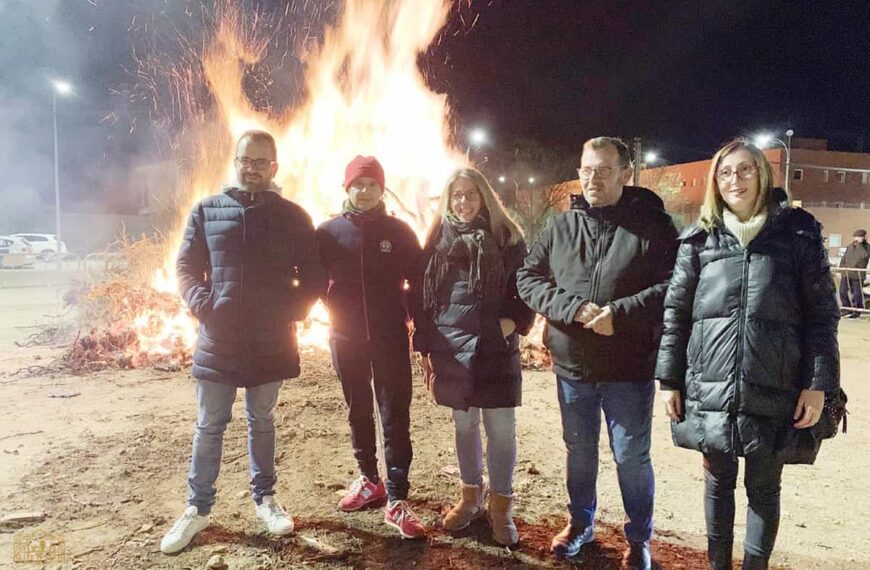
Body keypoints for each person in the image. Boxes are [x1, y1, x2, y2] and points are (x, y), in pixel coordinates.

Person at [655, 140, 840, 569]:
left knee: (764, 489)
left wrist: (818, 385)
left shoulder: (798, 234)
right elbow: (676, 313)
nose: (734, 180)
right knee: (717, 484)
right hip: (711, 385)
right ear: (715, 183)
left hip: (775, 383)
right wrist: (669, 380)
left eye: (744, 170)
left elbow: (822, 315)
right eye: (724, 172)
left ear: (762, 174)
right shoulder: (698, 240)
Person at [516, 137, 678, 569]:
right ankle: (580, 524)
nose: (593, 178)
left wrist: (619, 315)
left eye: (604, 170)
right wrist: (570, 308)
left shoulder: (654, 227)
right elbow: (528, 279)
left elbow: (673, 286)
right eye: (587, 170)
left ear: (626, 174)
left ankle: (639, 538)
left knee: (632, 458)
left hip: (628, 369)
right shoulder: (560, 227)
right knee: (580, 452)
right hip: (573, 368)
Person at [161, 130, 325, 554]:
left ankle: (265, 499)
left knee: (262, 421)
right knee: (209, 425)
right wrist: (205, 306)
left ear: (274, 167)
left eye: (260, 161)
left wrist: (290, 311)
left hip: (270, 340)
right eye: (245, 160)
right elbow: (186, 266)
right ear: (235, 162)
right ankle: (198, 508)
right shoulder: (207, 210)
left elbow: (314, 276)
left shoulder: (293, 216)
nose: (252, 168)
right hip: (219, 339)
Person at [414, 167, 535, 546]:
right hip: (452, 347)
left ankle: (501, 507)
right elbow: (422, 295)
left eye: (470, 194)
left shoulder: (508, 238)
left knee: (501, 429)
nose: (463, 201)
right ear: (448, 200)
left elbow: (528, 285)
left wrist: (513, 322)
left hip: (495, 347)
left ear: (484, 197)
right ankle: (470, 498)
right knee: (464, 425)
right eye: (457, 195)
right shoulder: (437, 238)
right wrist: (424, 343)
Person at [316, 155, 426, 539]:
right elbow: (315, 280)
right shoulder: (327, 232)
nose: (364, 192)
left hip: (390, 336)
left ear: (382, 189)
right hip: (345, 337)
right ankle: (369, 480)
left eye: (372, 185)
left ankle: (397, 497)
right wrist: (330, 309)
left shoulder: (399, 232)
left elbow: (418, 281)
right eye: (357, 185)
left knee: (395, 414)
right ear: (347, 188)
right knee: (357, 409)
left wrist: (412, 318)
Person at [838, 228, 869, 318]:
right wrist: (841, 269)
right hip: (846, 273)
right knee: (842, 291)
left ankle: (857, 310)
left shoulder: (866, 248)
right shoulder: (850, 247)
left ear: (863, 237)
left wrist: (860, 245)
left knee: (857, 293)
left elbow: (864, 256)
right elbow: (844, 258)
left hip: (857, 274)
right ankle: (846, 308)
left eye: (859, 237)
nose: (856, 238)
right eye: (855, 236)